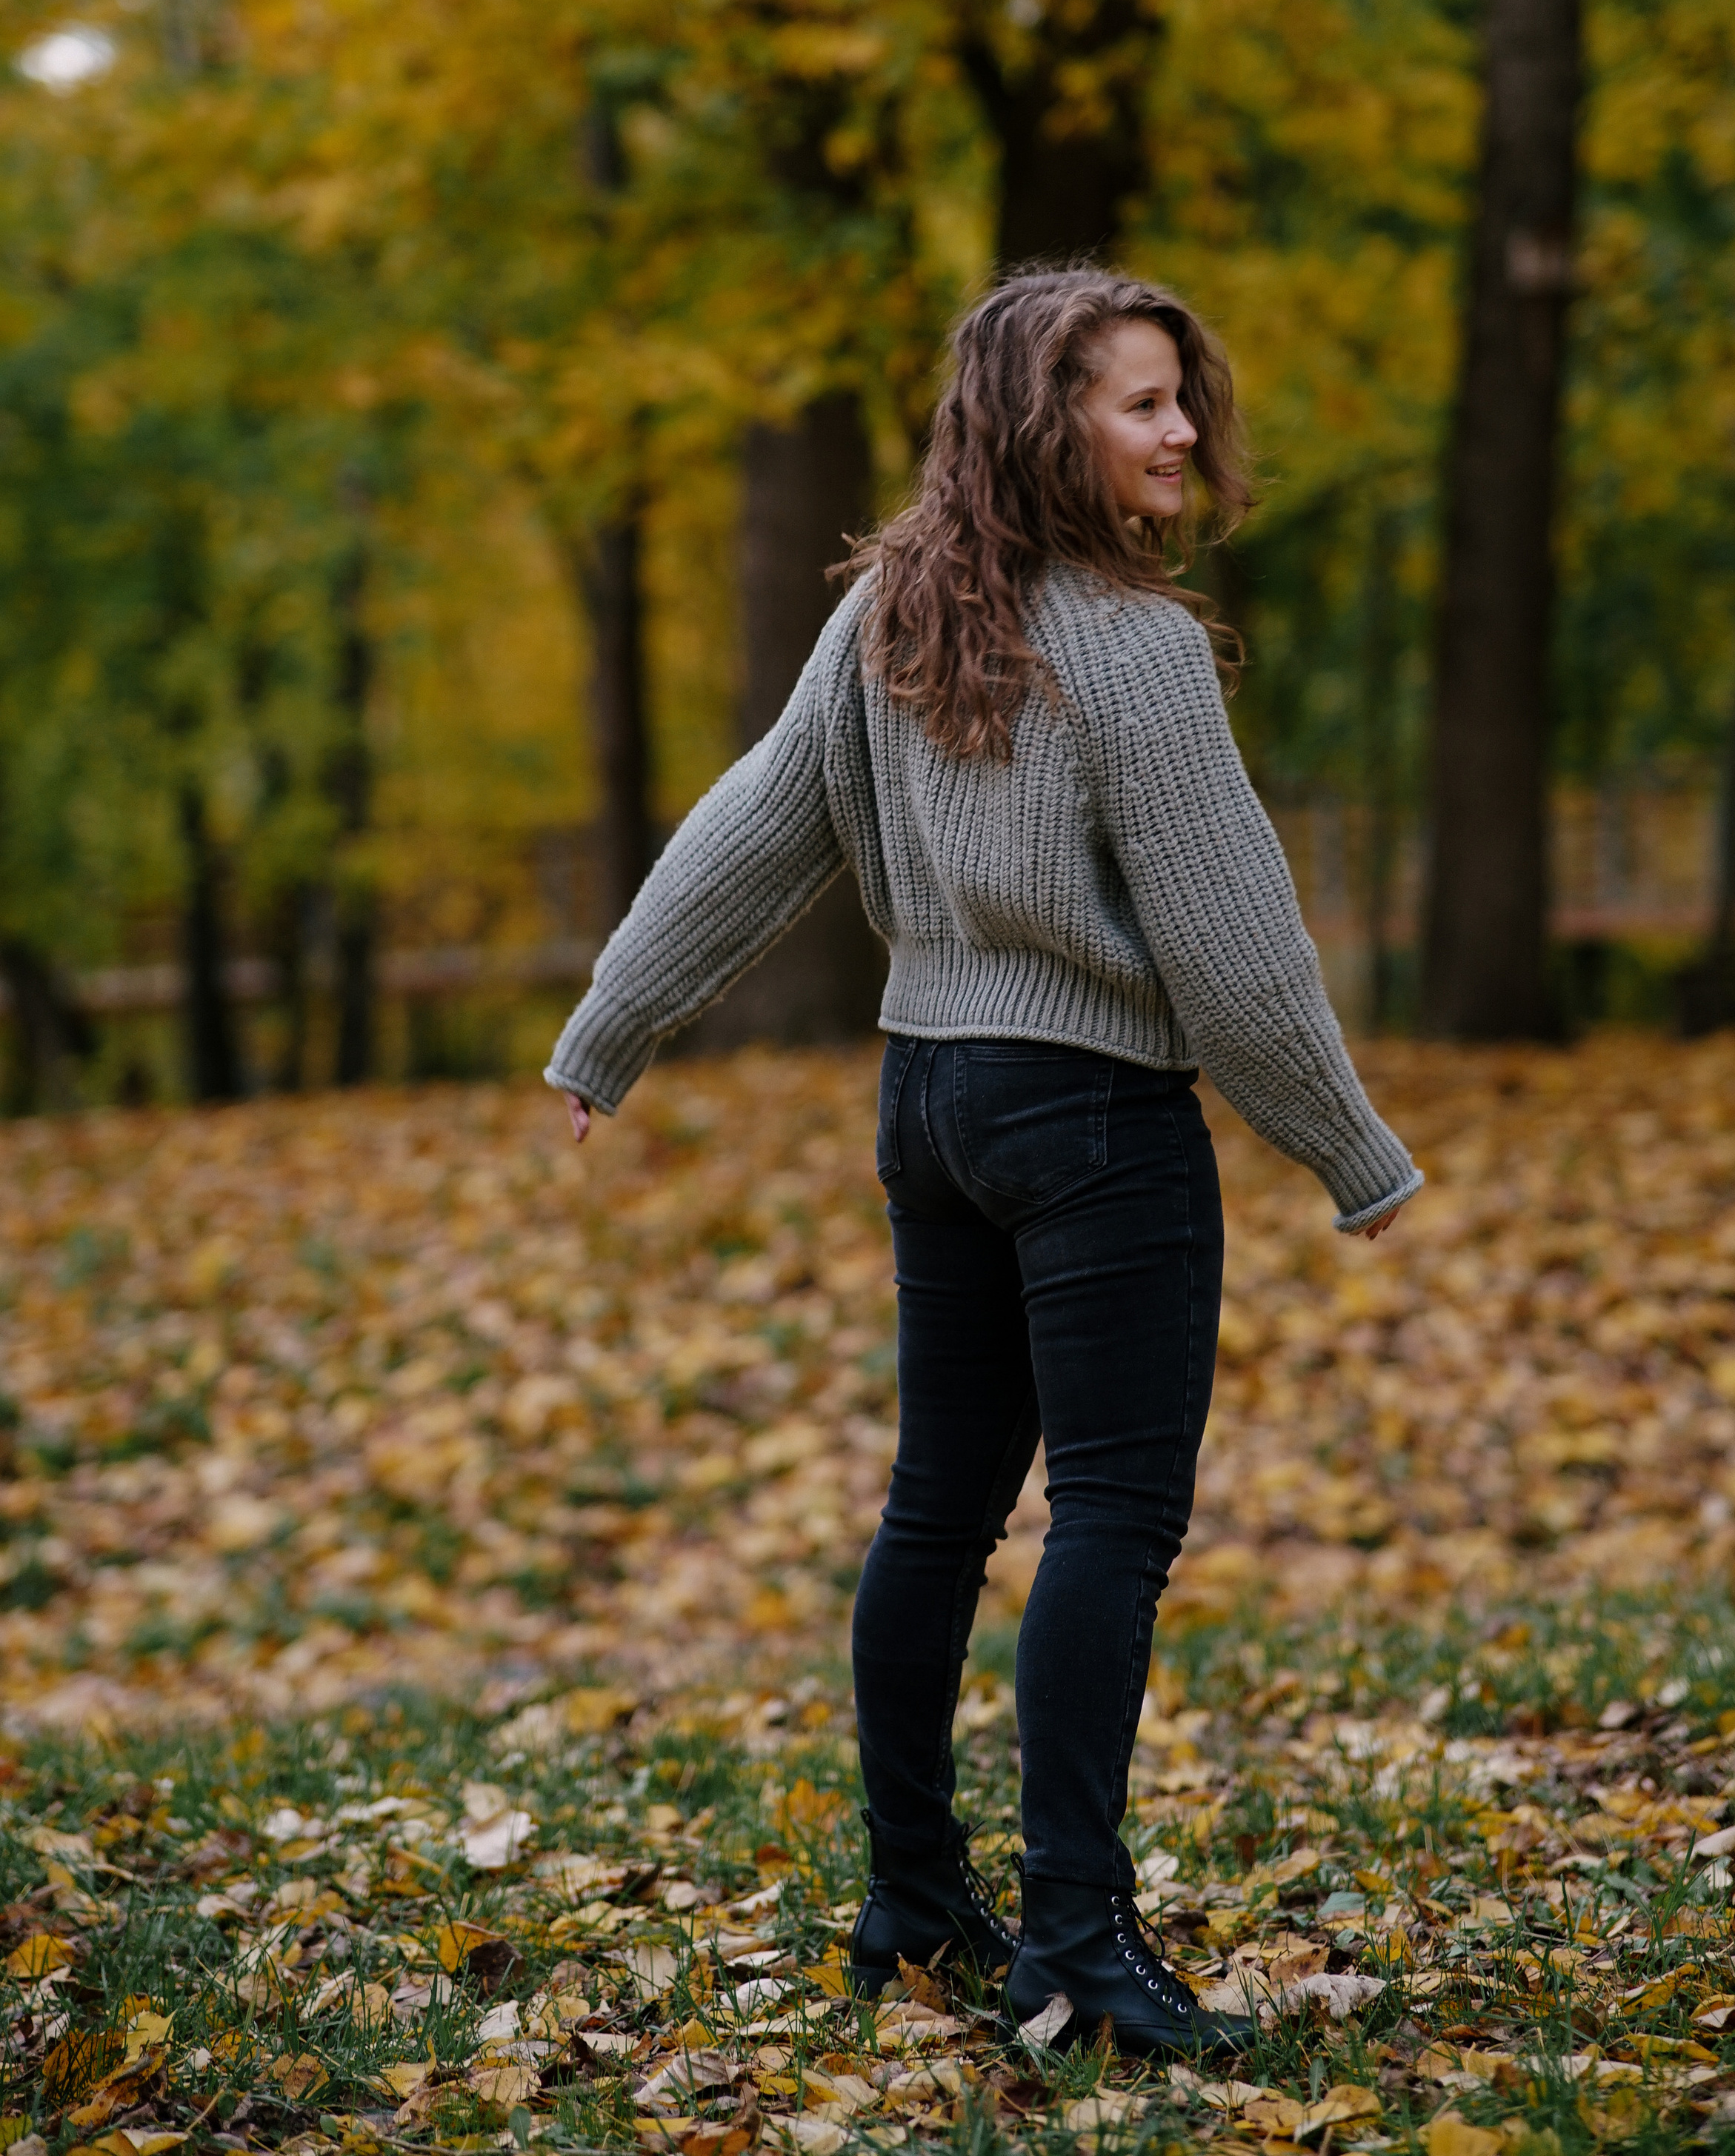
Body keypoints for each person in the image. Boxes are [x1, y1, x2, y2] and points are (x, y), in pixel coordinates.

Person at [545, 267, 1421, 2057]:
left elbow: (752, 822)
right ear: (1045, 425)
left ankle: (912, 1902)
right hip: (1091, 1116)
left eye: (1180, 396)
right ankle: (1076, 1948)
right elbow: (1232, 948)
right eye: (1138, 402)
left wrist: (606, 1030)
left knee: (937, 1508)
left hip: (929, 1098)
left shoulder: (890, 609)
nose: (1180, 429)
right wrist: (1350, 1149)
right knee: (1109, 1513)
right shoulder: (1131, 646)